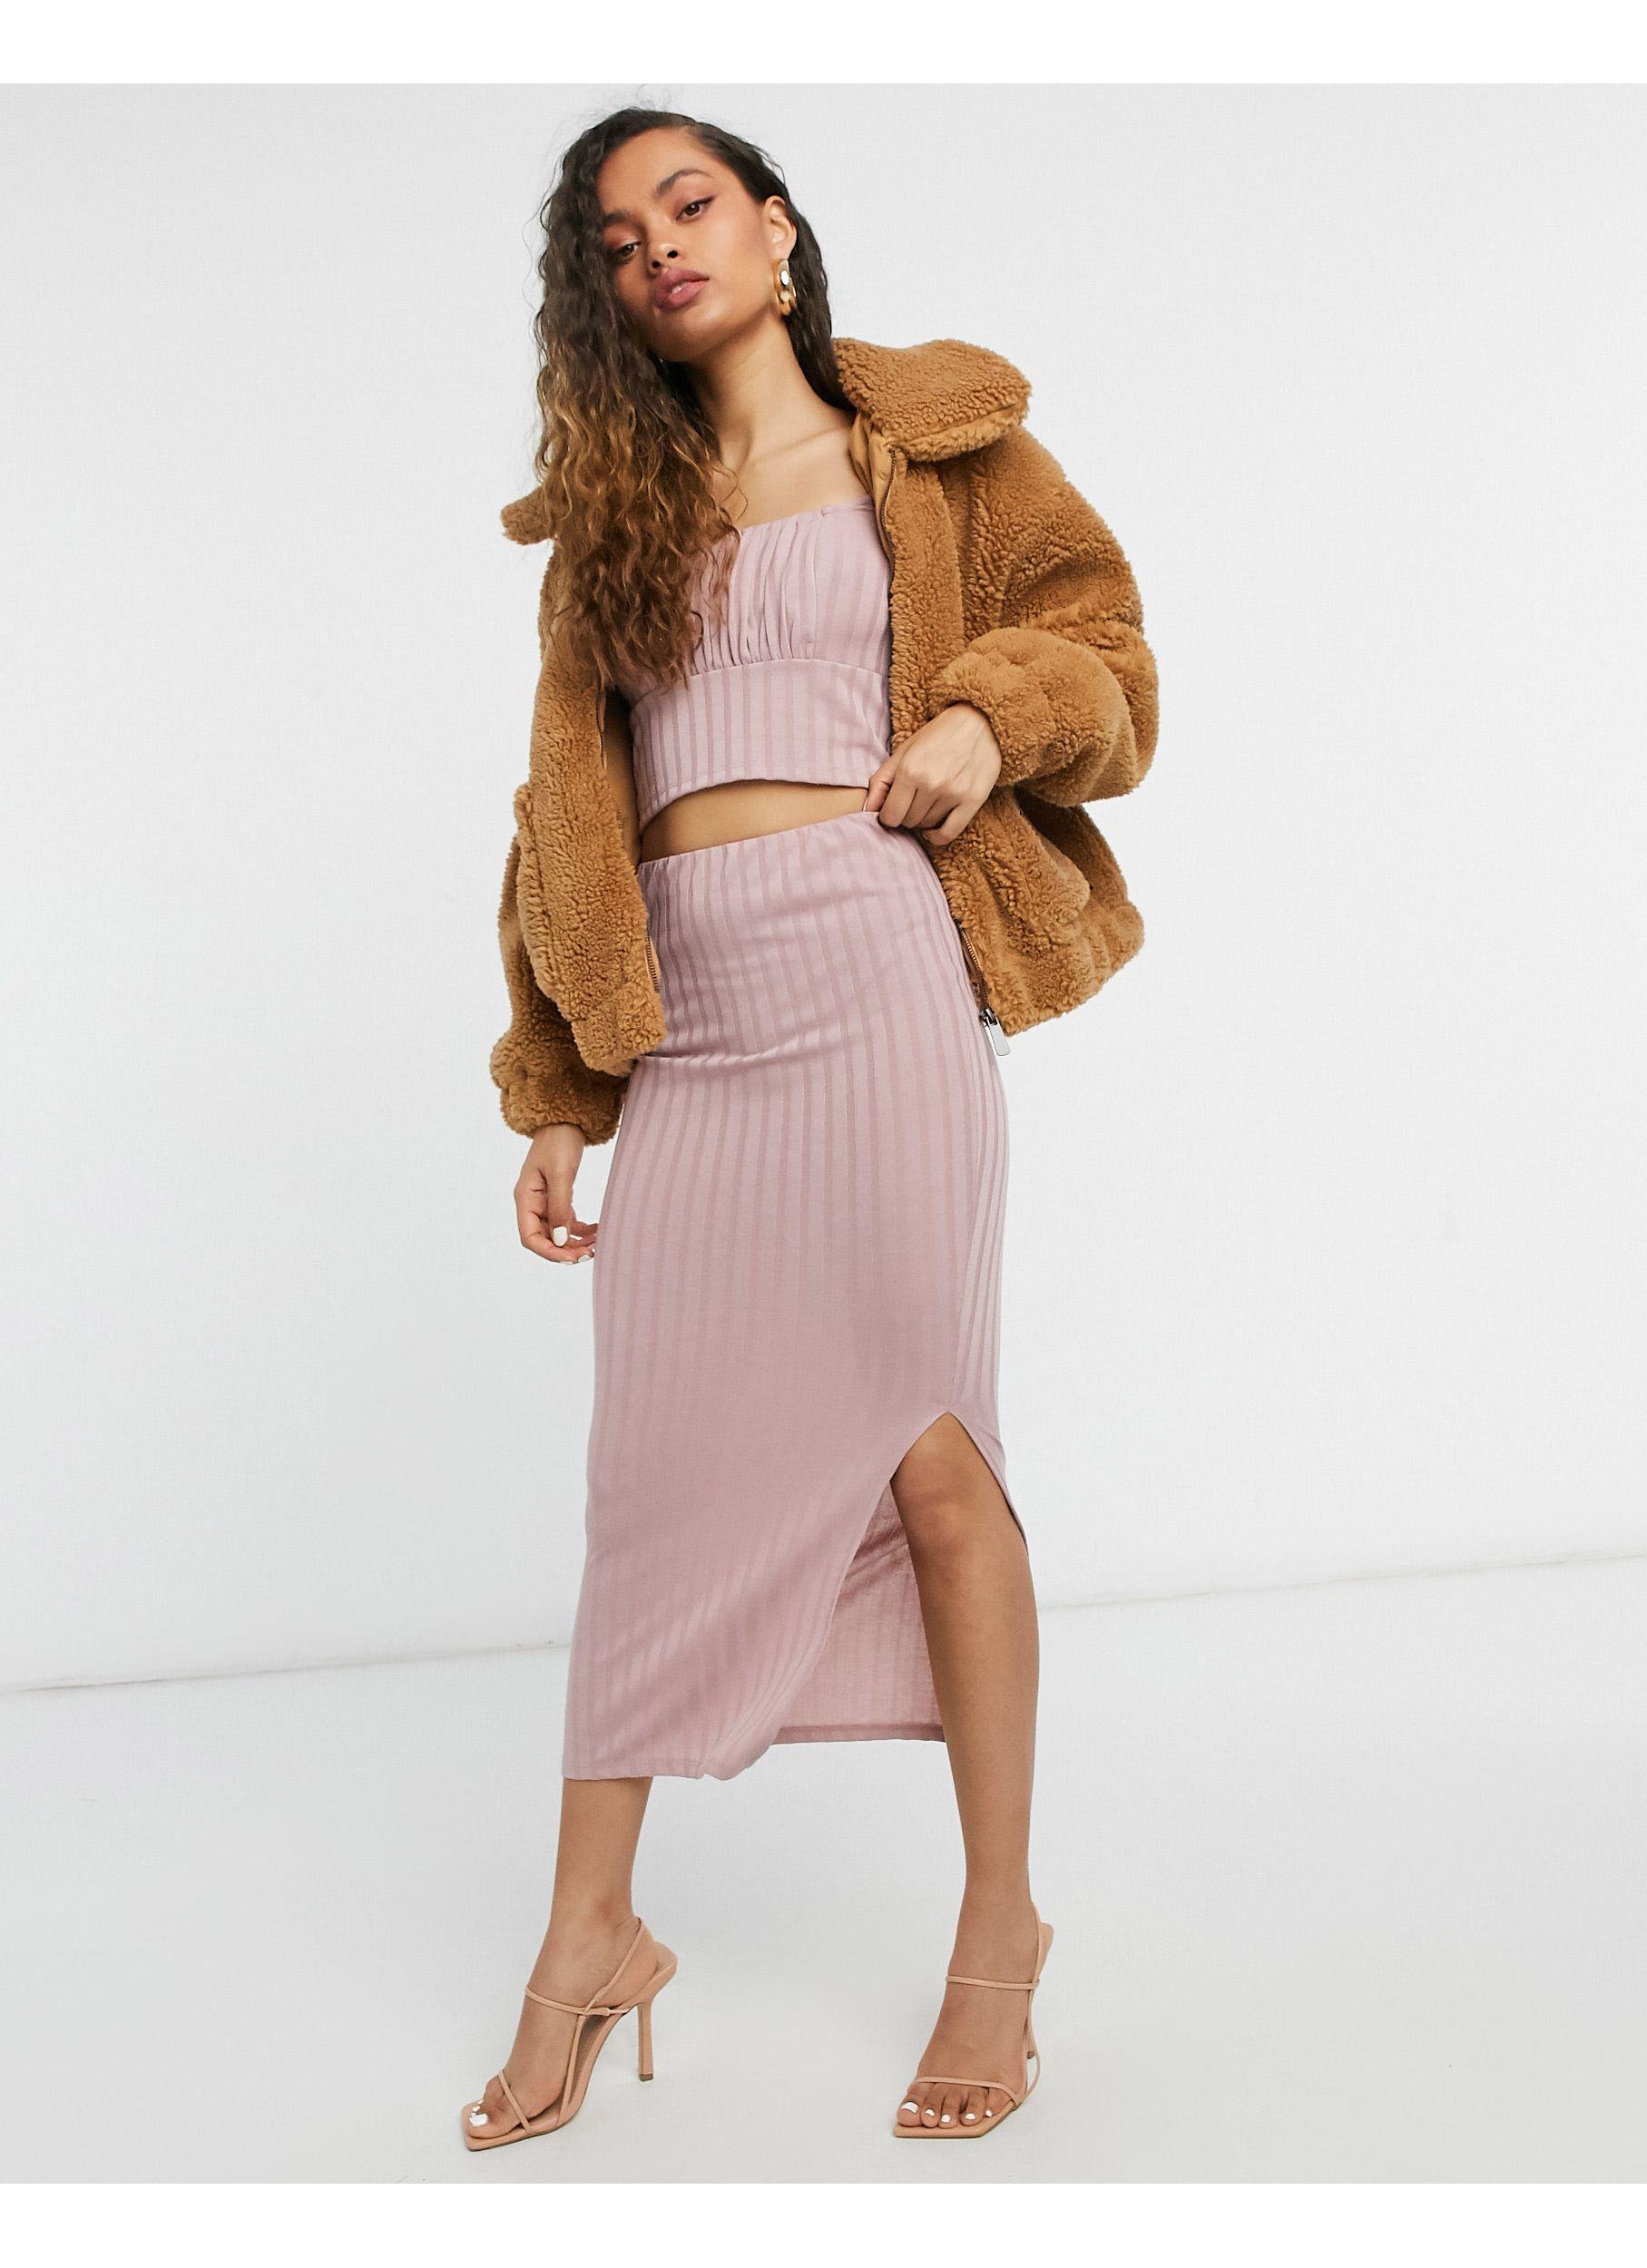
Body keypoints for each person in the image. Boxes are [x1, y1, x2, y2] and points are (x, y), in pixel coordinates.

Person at [465, 104, 1159, 2149]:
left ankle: (998, 1930)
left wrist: (982, 719)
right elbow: (563, 821)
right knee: (647, 1482)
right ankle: (590, 1936)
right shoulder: (615, 515)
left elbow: (1107, 653)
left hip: (874, 976)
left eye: (687, 205)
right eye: (614, 241)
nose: (657, 250)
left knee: (933, 1455)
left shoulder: (937, 446)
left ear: (774, 229)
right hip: (693, 1014)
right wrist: (556, 1088)